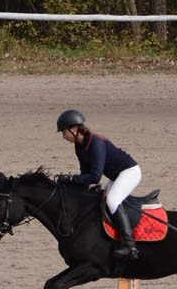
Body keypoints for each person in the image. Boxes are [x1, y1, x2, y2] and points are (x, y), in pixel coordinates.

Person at [56, 109, 141, 260]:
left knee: (112, 200)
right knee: (101, 200)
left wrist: (71, 178)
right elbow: (85, 172)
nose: (63, 136)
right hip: (117, 176)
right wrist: (72, 186)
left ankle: (130, 246)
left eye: (64, 132)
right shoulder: (79, 146)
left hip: (130, 172)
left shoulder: (95, 143)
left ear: (74, 128)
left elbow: (95, 177)